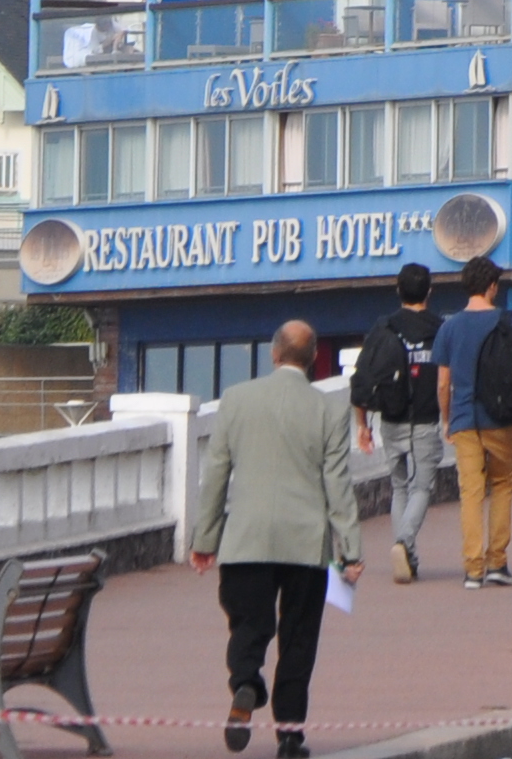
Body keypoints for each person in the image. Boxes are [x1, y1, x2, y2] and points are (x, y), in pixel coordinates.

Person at [189, 323, 357, 758]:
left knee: (249, 625)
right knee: (298, 639)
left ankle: (245, 682)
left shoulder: (237, 400)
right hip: (306, 544)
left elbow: (216, 478)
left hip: (247, 539)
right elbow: (337, 485)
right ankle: (289, 736)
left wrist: (205, 539)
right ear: (313, 358)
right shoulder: (329, 410)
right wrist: (351, 550)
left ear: (274, 354)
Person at [426, 257, 512, 586]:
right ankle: (497, 563)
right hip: (501, 418)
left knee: (470, 493)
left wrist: (447, 420)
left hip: (464, 419)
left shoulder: (449, 326)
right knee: (502, 487)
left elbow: (443, 382)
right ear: (492, 286)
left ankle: (473, 569)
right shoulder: (509, 322)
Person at [353, 264, 450, 584]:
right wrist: (448, 417)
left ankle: (408, 557)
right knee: (422, 486)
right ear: (429, 292)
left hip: (392, 418)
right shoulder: (441, 328)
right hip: (425, 419)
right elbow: (447, 380)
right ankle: (403, 542)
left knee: (398, 487)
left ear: (398, 291)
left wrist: (362, 424)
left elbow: (362, 379)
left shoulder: (384, 328)